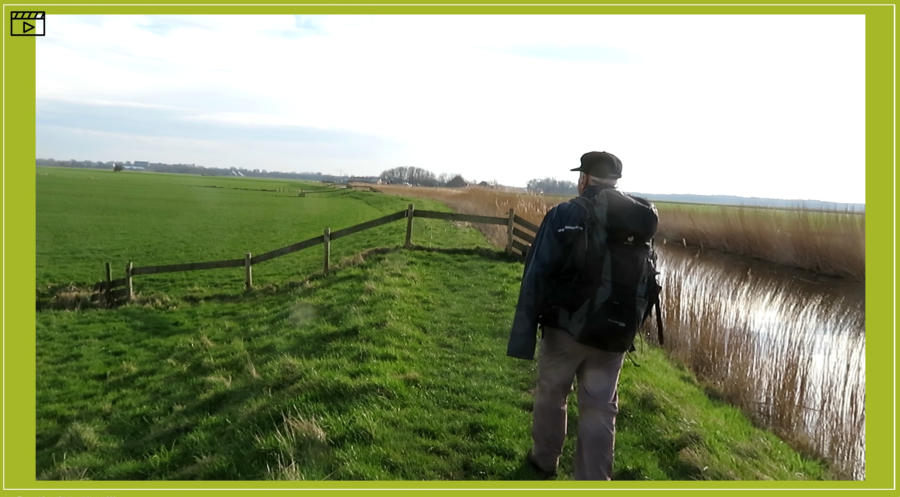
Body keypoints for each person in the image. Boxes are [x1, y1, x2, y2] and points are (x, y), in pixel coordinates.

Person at [507, 151, 654, 481]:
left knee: (552, 394)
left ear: (584, 179)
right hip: (614, 335)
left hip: (565, 331)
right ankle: (593, 480)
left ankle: (544, 462)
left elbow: (537, 274)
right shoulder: (638, 218)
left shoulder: (565, 214)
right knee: (600, 408)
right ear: (615, 181)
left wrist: (523, 336)